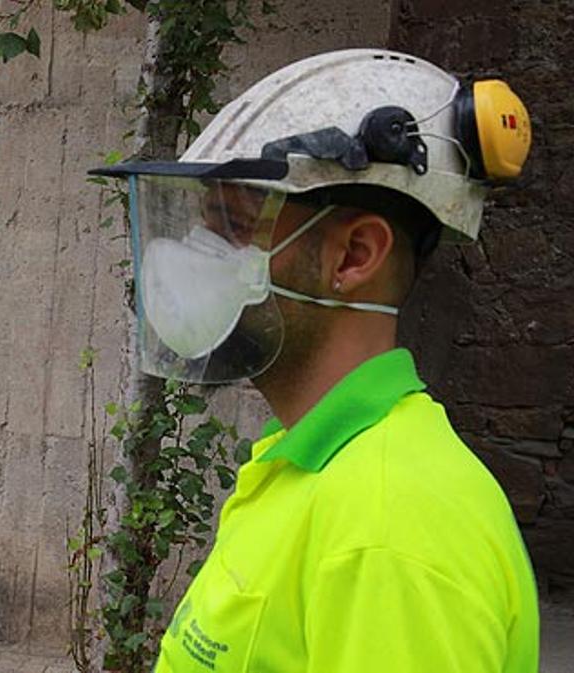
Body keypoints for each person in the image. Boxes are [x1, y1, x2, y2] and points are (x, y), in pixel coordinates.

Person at [92, 49, 538, 671]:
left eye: (232, 226)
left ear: (353, 255)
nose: (189, 256)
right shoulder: (310, 466)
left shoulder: (388, 531)